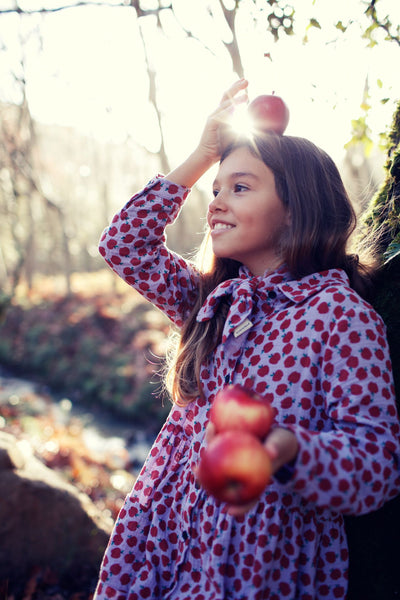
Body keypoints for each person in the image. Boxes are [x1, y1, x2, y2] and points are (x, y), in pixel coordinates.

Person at [94, 79, 400, 600]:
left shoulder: (340, 316)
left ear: (297, 207)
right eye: (214, 190)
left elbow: (377, 461)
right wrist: (200, 156)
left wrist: (289, 449)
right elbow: (124, 244)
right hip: (159, 544)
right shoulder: (209, 302)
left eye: (240, 187)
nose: (214, 203)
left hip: (256, 565)